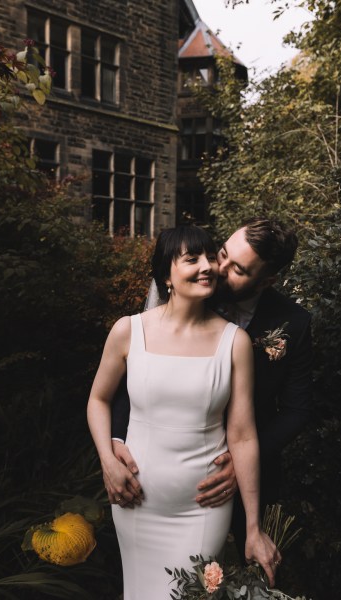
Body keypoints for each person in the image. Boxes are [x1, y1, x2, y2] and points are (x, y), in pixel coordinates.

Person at [87, 225, 281, 600]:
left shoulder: (235, 342)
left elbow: (242, 434)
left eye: (211, 256)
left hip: (202, 511)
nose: (208, 266)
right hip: (136, 504)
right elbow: (98, 400)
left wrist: (253, 527)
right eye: (192, 259)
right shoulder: (128, 331)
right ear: (166, 275)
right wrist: (108, 459)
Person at [110, 217, 313, 563]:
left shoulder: (293, 323)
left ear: (267, 281)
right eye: (223, 254)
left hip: (240, 471)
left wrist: (241, 460)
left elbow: (297, 410)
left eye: (238, 270)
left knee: (238, 572)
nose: (218, 269)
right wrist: (116, 441)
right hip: (159, 472)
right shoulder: (194, 288)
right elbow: (139, 371)